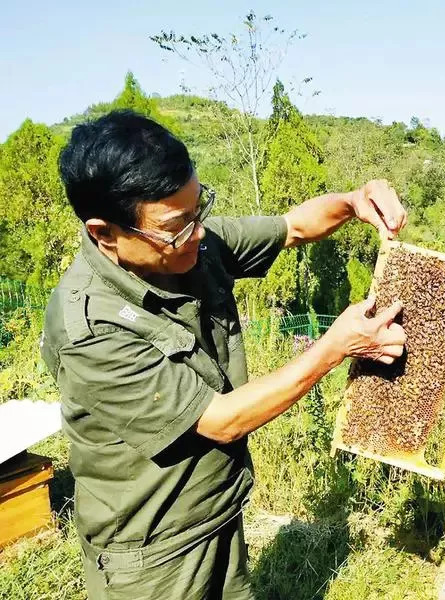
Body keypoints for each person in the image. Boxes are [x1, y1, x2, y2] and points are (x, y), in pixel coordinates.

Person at [41, 109, 408, 599]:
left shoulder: (192, 244)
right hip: (151, 555)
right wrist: (334, 348)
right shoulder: (90, 327)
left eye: (199, 212)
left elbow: (293, 227)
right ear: (104, 233)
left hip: (219, 512)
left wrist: (351, 202)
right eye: (176, 226)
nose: (197, 233)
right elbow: (220, 420)